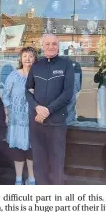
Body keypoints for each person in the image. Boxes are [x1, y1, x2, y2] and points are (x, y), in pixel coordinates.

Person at [25, 34, 74, 185]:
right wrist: (37, 107)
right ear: (43, 46)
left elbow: (67, 93)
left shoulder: (66, 65)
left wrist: (48, 110)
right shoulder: (36, 66)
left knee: (57, 162)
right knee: (39, 163)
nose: (51, 47)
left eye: (54, 44)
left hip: (57, 123)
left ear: (58, 46)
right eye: (47, 44)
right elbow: (28, 90)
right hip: (37, 122)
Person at [2, 47, 37, 185]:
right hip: (16, 120)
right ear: (20, 59)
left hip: (33, 119)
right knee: (18, 150)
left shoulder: (37, 76)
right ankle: (18, 179)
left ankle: (32, 179)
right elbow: (5, 96)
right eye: (25, 56)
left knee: (31, 149)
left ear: (35, 59)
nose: (28, 59)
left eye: (31, 56)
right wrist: (7, 113)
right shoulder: (13, 76)